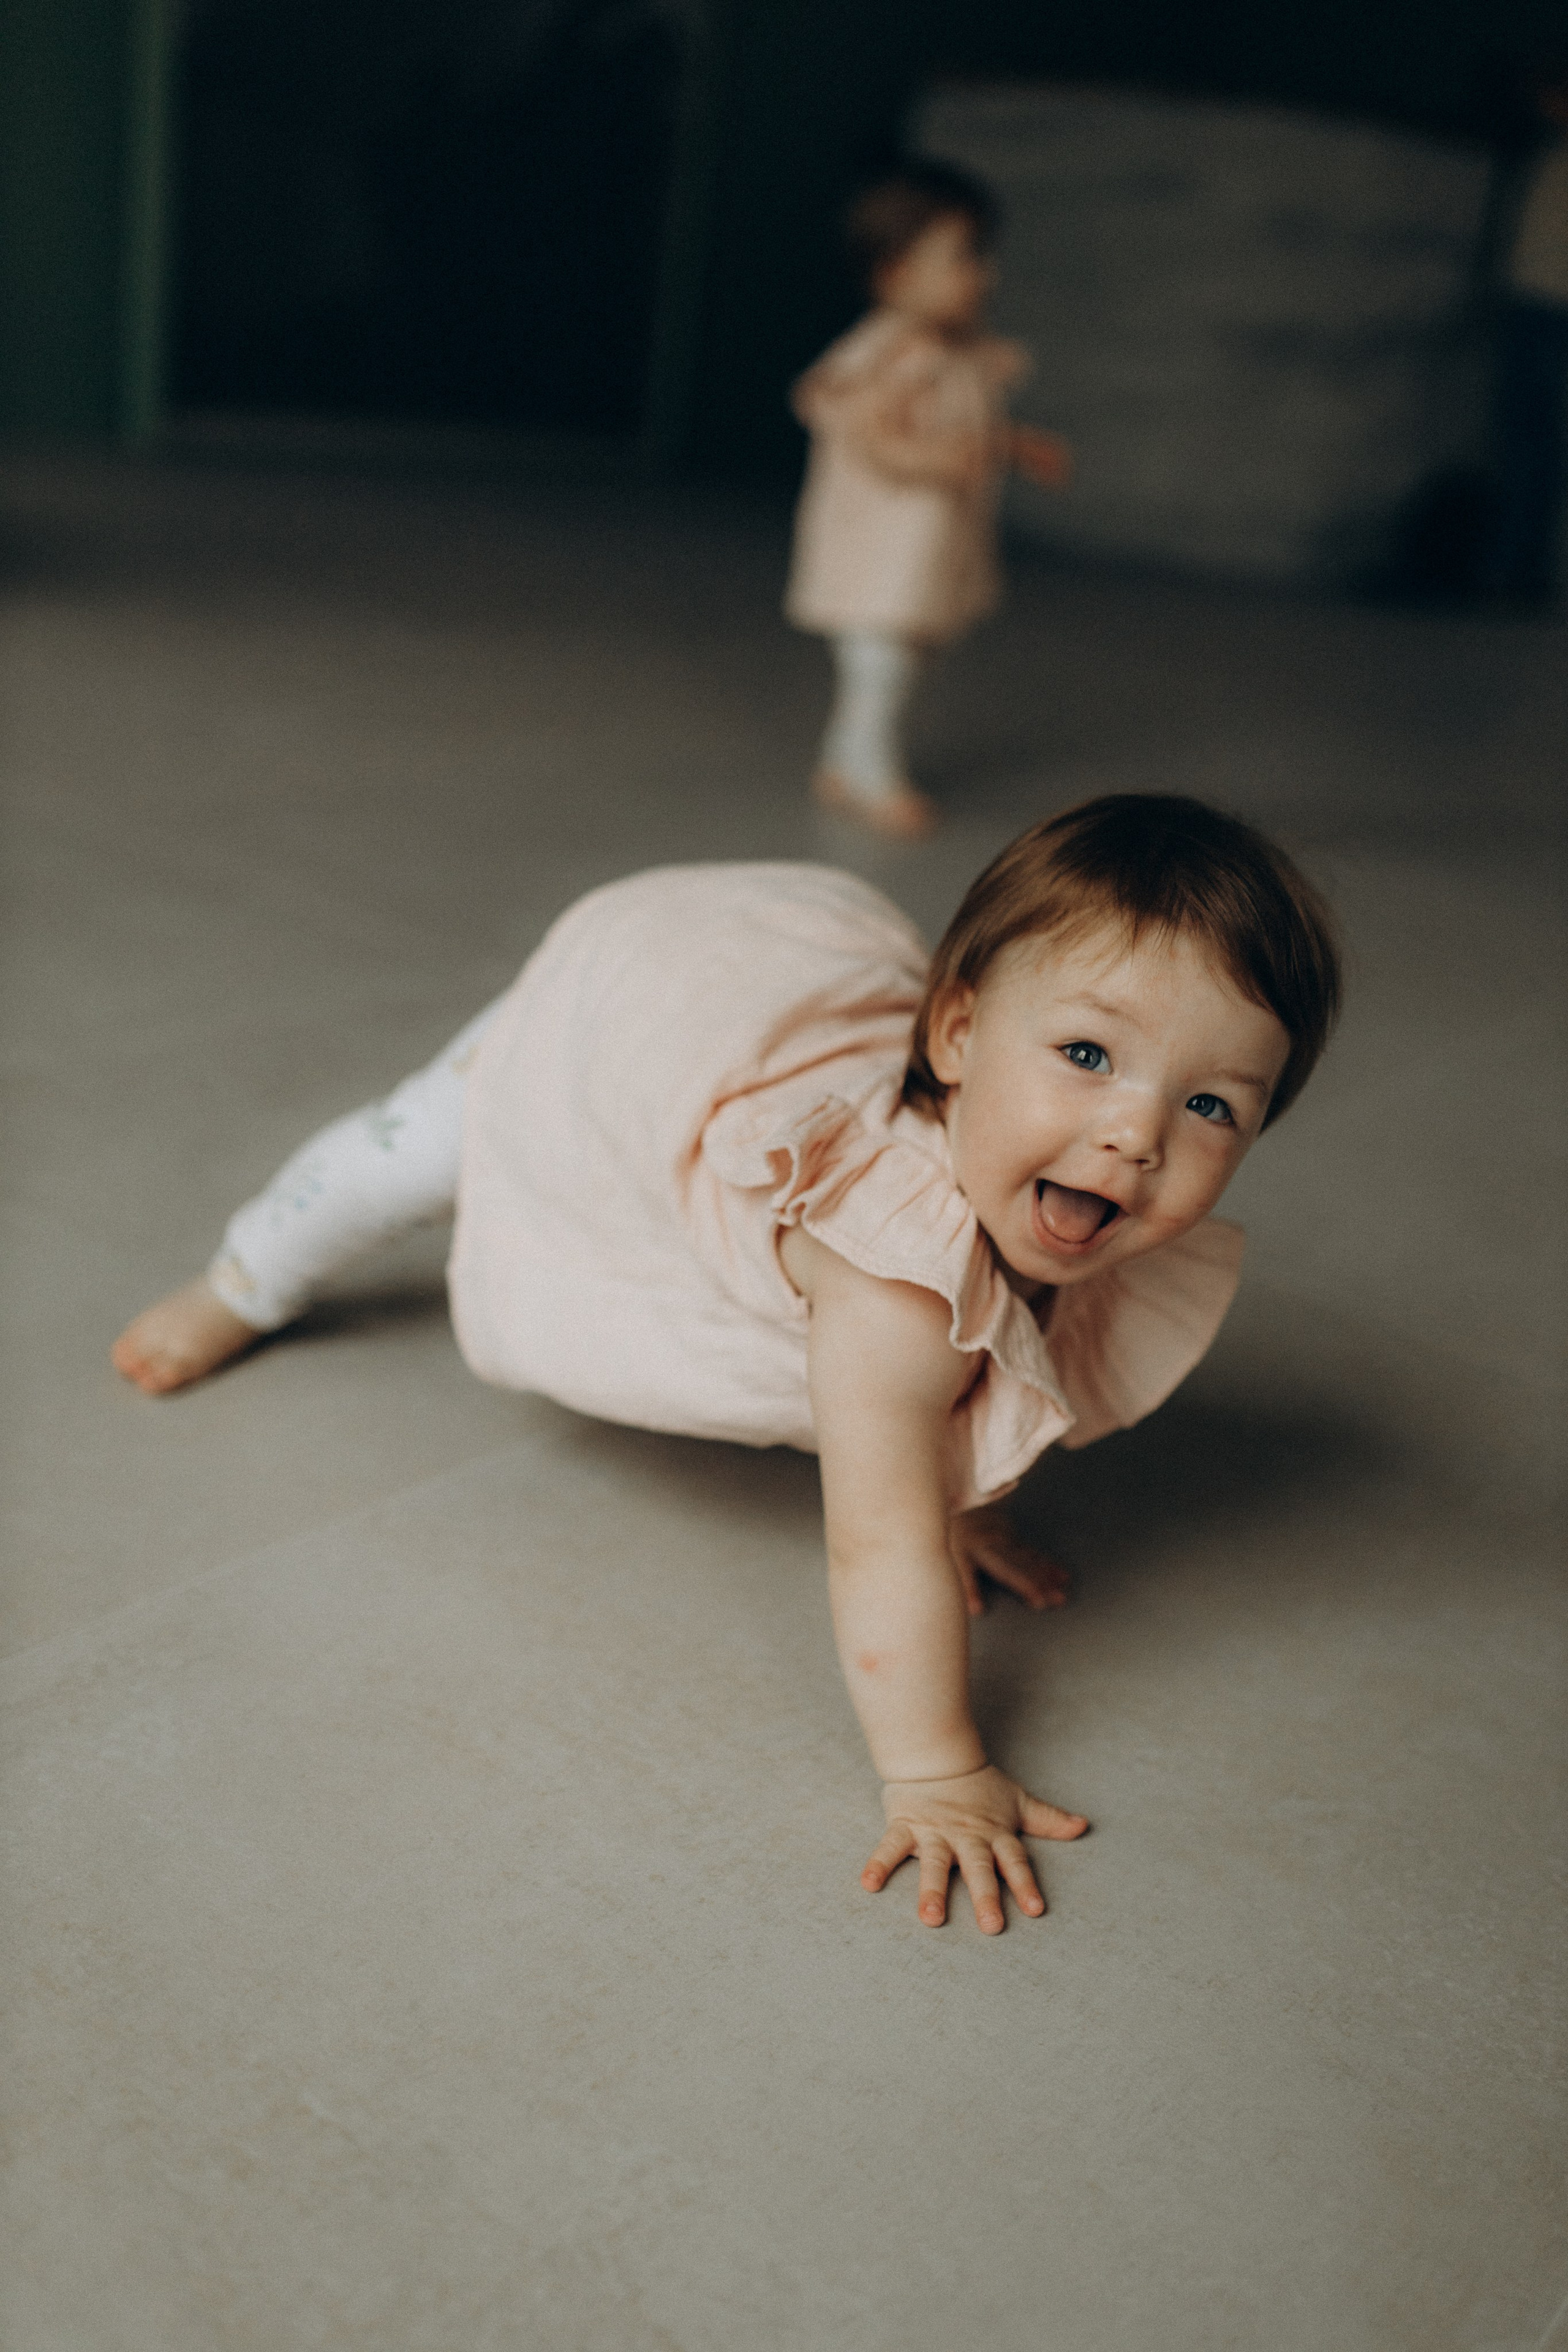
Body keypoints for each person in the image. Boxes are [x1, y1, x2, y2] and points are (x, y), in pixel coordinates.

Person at [113, 796, 1341, 1934]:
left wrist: (969, 1490)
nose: (1134, 1134)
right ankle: (242, 1278)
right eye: (1087, 1054)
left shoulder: (1045, 1187)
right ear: (958, 1033)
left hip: (756, 985)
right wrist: (933, 1767)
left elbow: (998, 1355)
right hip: (632, 1020)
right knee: (411, 1149)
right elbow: (879, 1540)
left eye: (1211, 1107)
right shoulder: (894, 1293)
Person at [785, 160, 1071, 838]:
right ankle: (870, 768)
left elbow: (971, 423)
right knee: (881, 659)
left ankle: (841, 755)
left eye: (982, 255)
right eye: (963, 257)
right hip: (879, 547)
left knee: (906, 655)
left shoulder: (960, 350)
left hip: (925, 548)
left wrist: (1014, 446)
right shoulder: (889, 355)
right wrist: (936, 459)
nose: (984, 274)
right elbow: (873, 439)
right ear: (895, 273)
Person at [1485, 68, 1568, 603]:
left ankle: (1516, 568)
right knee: (1522, 431)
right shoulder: (1549, 155)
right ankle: (1514, 566)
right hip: (1532, 298)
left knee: (1533, 435)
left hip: (1551, 302)